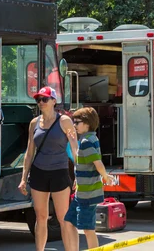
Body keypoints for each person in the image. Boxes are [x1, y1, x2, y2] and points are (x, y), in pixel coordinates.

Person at [18, 87, 79, 251]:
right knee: (41, 216)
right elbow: (29, 152)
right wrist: (24, 178)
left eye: (45, 99)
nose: (41, 102)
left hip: (59, 172)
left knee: (63, 218)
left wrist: (78, 175)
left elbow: (75, 149)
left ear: (54, 101)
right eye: (38, 99)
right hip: (39, 172)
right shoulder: (34, 123)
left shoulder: (64, 121)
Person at [64, 107, 115, 250]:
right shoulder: (89, 139)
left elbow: (97, 163)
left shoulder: (87, 141)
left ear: (87, 123)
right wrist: (72, 141)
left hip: (88, 195)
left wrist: (105, 176)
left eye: (77, 122)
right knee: (68, 222)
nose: (74, 125)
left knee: (88, 229)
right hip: (82, 194)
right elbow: (79, 161)